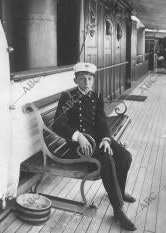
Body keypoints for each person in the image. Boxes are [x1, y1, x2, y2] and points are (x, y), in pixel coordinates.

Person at [53, 62, 136, 231]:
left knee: (125, 156)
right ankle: (117, 208)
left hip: (98, 139)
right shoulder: (68, 97)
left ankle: (119, 191)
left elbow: (101, 120)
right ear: (75, 80)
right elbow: (57, 124)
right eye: (82, 79)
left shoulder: (96, 96)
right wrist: (78, 136)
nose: (87, 82)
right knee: (107, 159)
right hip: (79, 145)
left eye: (90, 78)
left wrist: (106, 138)